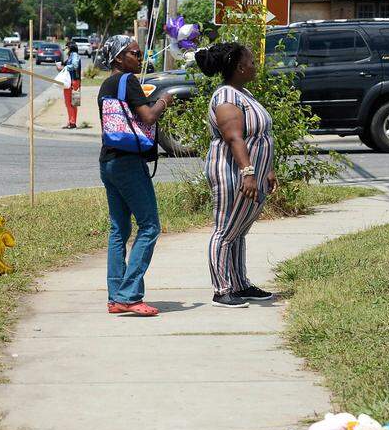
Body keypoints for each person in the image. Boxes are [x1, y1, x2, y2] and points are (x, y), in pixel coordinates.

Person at [96, 35, 175, 317]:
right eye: (134, 53)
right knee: (150, 226)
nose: (140, 58)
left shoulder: (105, 85)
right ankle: (129, 296)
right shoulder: (128, 81)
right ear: (118, 58)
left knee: (119, 229)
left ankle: (116, 296)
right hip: (129, 163)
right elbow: (148, 117)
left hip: (109, 161)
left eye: (140, 54)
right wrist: (164, 101)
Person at [195, 42, 277, 308]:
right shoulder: (226, 98)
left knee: (239, 231)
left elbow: (261, 135)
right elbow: (234, 138)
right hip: (231, 172)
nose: (254, 65)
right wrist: (249, 173)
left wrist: (269, 169)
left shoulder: (243, 93)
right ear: (240, 67)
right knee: (225, 231)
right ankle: (222, 290)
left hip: (252, 173)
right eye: (251, 61)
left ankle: (240, 285)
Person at [59, 45, 82, 128]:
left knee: (69, 103)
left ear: (70, 48)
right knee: (73, 103)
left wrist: (65, 67)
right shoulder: (72, 56)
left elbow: (75, 65)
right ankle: (72, 122)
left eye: (66, 47)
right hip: (75, 81)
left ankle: (72, 122)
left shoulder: (74, 55)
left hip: (72, 81)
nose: (65, 49)